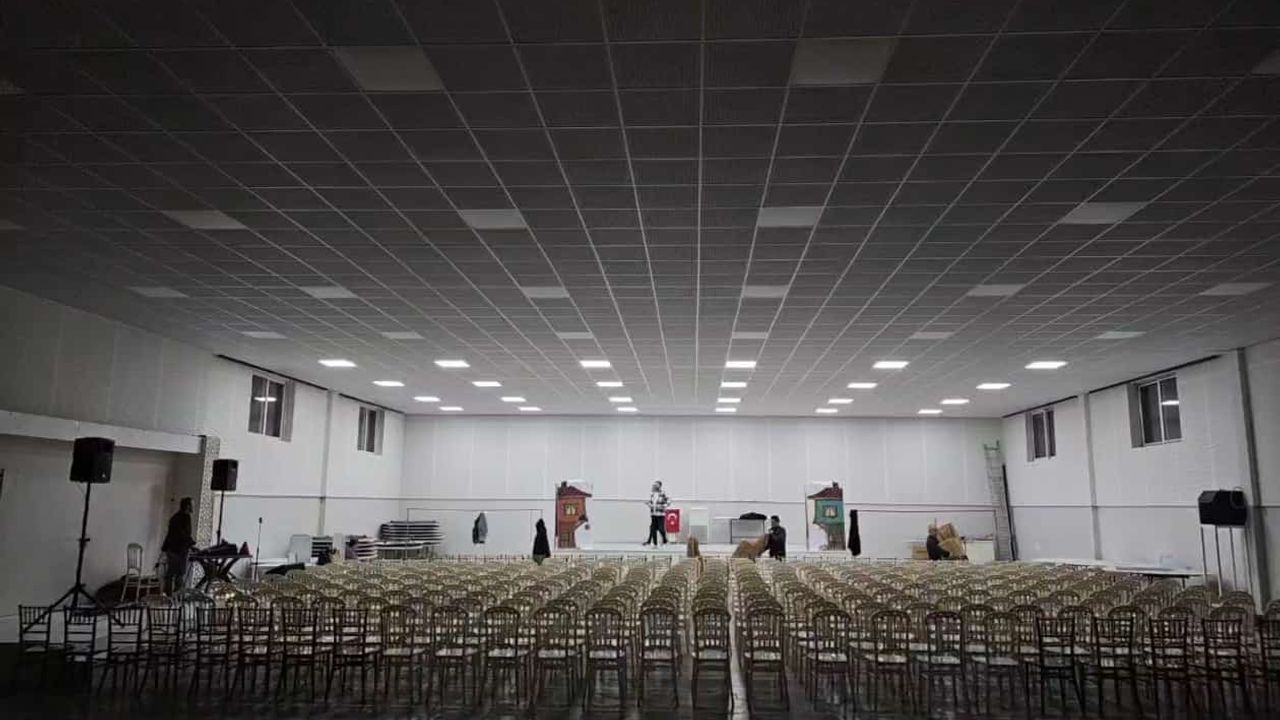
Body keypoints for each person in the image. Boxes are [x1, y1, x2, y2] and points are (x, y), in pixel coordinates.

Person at [160, 497, 195, 593]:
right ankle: (176, 595)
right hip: (179, 550)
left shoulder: (175, 517)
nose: (193, 507)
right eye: (192, 504)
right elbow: (183, 534)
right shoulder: (185, 518)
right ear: (188, 506)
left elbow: (171, 534)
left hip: (172, 549)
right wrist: (191, 543)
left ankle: (168, 594)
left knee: (171, 573)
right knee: (179, 574)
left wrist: (164, 548)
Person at [643, 480, 670, 546]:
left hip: (660, 514)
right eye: (654, 485)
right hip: (653, 513)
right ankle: (654, 543)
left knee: (661, 528)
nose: (654, 486)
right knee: (653, 528)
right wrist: (649, 504)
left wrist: (664, 506)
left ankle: (665, 540)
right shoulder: (652, 494)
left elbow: (668, 501)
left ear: (659, 486)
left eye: (656, 485)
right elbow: (650, 501)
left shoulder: (663, 493)